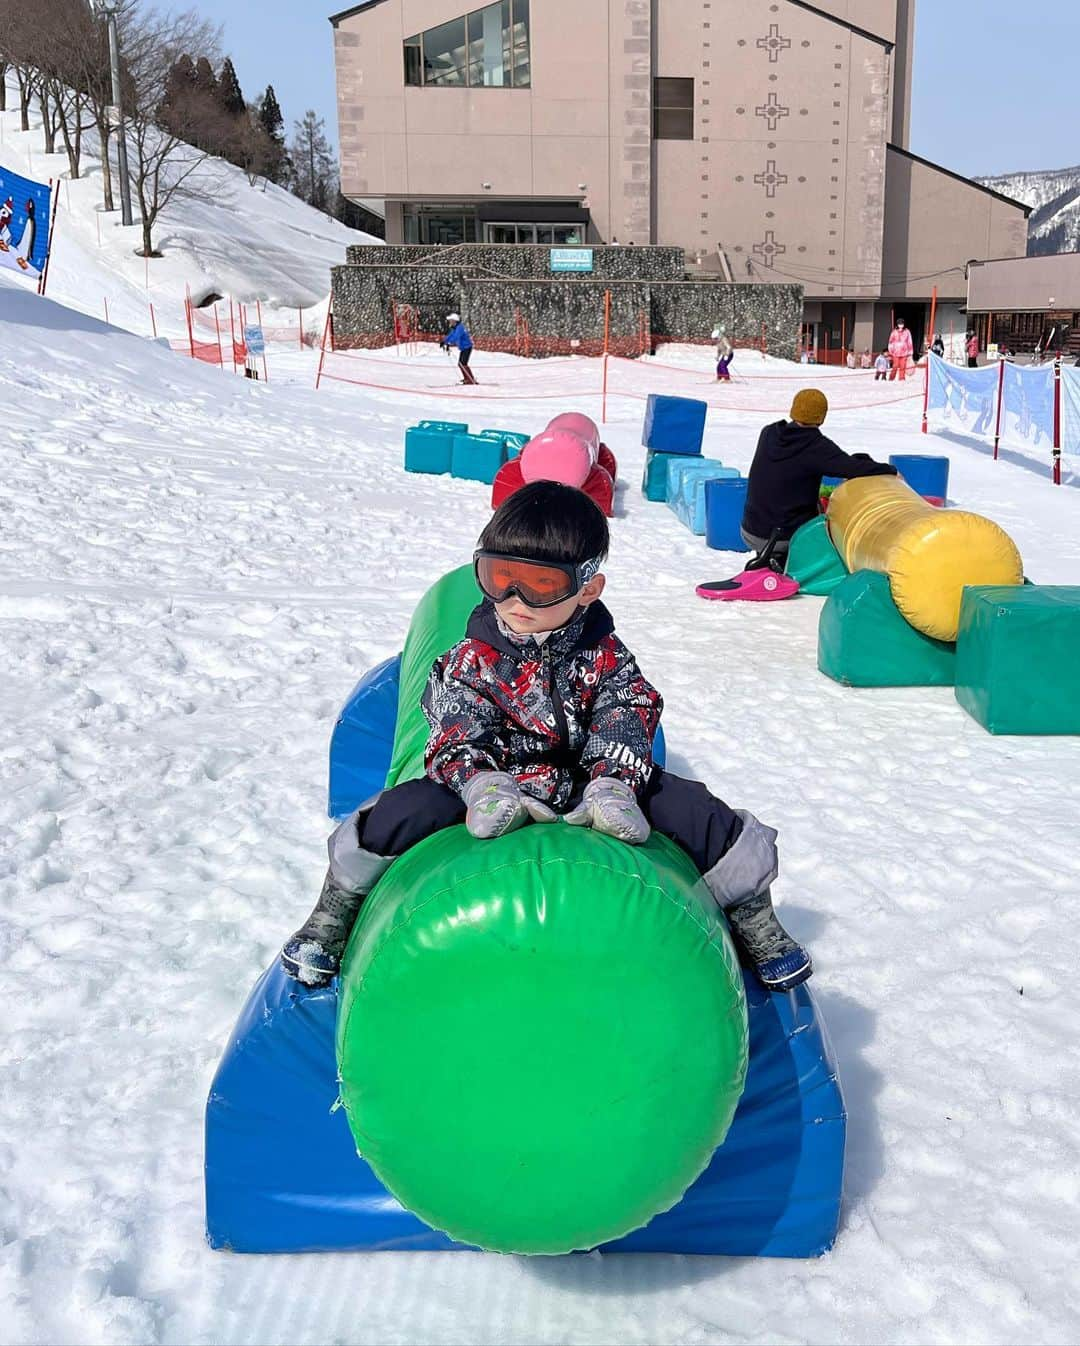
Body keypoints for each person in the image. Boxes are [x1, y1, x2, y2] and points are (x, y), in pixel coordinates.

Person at [280, 482, 812, 995]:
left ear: (587, 589)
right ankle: (334, 912)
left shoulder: (605, 656)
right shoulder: (470, 659)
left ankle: (754, 919)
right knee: (398, 811)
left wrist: (613, 781)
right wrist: (480, 781)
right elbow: (454, 727)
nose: (513, 599)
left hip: (589, 782)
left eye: (539, 585)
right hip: (495, 786)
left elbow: (627, 709)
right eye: (497, 576)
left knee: (700, 812)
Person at [741, 389, 898, 559]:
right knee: (831, 532)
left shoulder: (769, 433)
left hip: (751, 528)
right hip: (783, 536)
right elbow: (852, 468)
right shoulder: (815, 446)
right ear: (821, 417)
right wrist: (891, 470)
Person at [440, 312, 476, 385]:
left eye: (451, 320)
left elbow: (456, 337)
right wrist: (444, 341)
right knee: (461, 364)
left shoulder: (460, 328)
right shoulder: (455, 328)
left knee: (463, 363)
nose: (450, 322)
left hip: (467, 347)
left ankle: (470, 379)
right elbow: (450, 335)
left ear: (455, 321)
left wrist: (449, 343)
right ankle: (467, 378)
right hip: (463, 348)